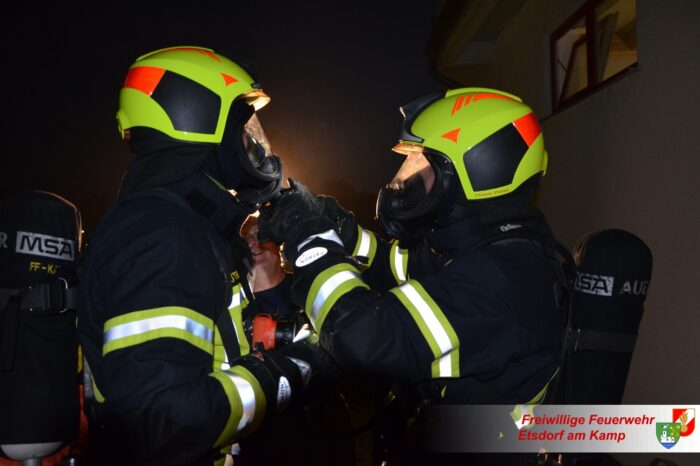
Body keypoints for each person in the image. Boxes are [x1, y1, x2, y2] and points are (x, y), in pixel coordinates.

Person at [258, 88, 567, 462]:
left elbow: (367, 338)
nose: (402, 176)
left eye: (419, 162)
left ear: (480, 169)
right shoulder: (467, 249)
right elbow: (389, 265)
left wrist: (311, 240)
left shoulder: (506, 277)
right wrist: (333, 223)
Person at [77, 46, 331, 466]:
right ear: (196, 119)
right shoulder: (161, 235)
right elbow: (163, 420)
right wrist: (285, 374)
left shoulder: (189, 228)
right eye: (244, 126)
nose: (254, 142)